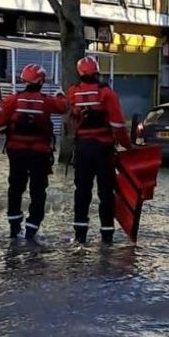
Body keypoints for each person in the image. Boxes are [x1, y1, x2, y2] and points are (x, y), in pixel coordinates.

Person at [0, 64, 68, 240]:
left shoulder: (11, 101)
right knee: (38, 191)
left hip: (17, 153)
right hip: (40, 154)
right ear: (41, 82)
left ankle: (14, 227)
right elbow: (63, 107)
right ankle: (32, 229)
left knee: (15, 188)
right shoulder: (47, 101)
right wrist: (60, 93)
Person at [67, 56, 131, 244]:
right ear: (96, 72)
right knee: (106, 192)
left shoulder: (73, 93)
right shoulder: (107, 94)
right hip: (103, 148)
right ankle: (107, 236)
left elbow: (70, 118)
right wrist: (129, 146)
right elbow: (118, 125)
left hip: (82, 149)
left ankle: (80, 236)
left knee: (82, 192)